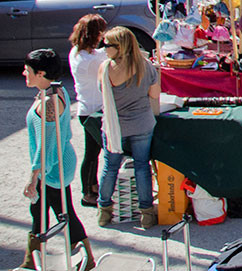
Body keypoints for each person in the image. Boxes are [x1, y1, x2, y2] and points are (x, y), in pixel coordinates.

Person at [22, 49, 95, 270]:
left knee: (62, 212)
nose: (24, 73)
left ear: (41, 73)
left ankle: (33, 262)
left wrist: (33, 177)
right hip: (56, 163)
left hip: (53, 166)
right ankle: (30, 261)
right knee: (42, 210)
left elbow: (48, 147)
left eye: (28, 70)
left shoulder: (49, 103)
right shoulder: (54, 90)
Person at [95, 26, 161, 229]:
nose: (103, 49)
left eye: (106, 45)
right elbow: (155, 95)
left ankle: (104, 211)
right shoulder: (145, 66)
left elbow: (101, 93)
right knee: (143, 167)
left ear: (119, 47)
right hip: (142, 123)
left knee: (110, 167)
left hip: (115, 126)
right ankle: (147, 213)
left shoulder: (106, 68)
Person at [68, 14, 108, 206]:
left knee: (93, 152)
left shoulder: (76, 52)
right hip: (94, 110)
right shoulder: (94, 59)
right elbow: (108, 57)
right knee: (93, 153)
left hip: (86, 107)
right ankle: (87, 192)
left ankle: (92, 187)